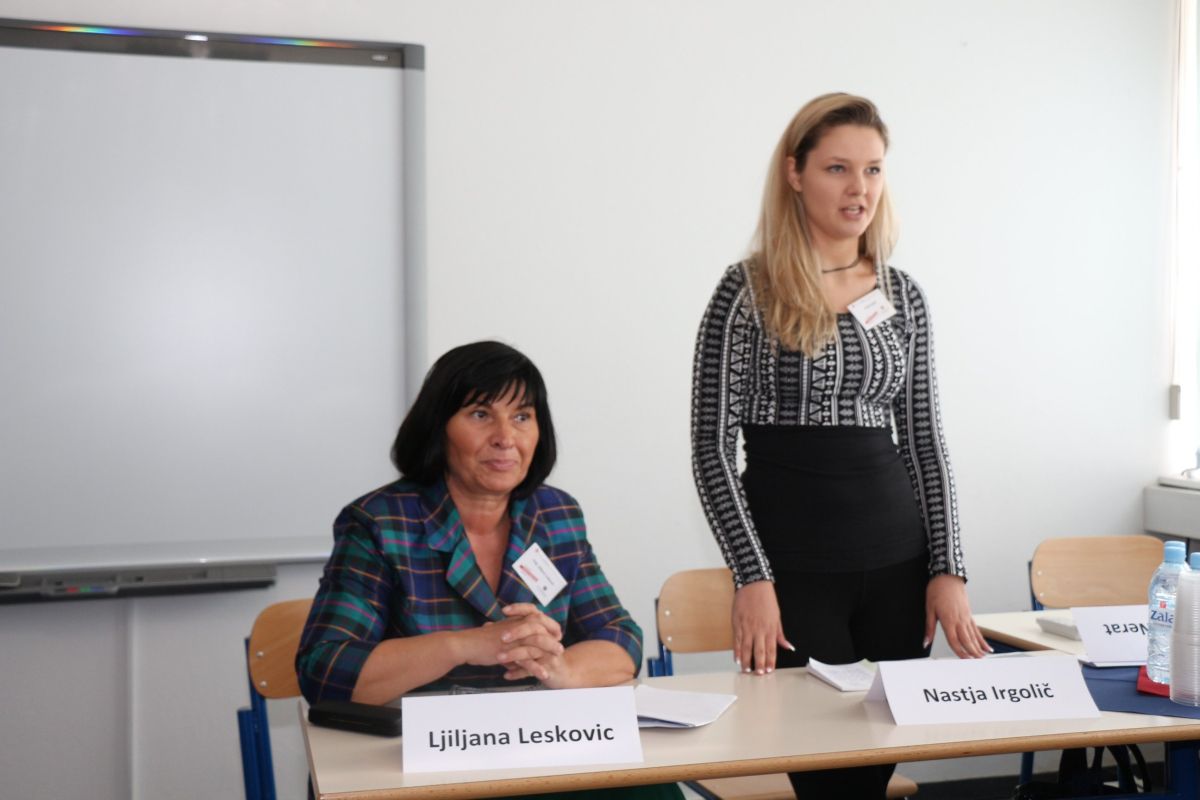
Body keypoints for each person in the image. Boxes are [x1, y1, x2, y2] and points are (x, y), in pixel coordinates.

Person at [690, 93, 990, 798]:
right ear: (794, 173)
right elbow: (711, 448)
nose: (859, 188)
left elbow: (925, 442)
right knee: (827, 778)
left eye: (873, 169)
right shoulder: (747, 292)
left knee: (872, 771)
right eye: (837, 168)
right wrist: (751, 577)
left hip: (897, 567)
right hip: (791, 572)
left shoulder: (903, 295)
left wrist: (947, 569)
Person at [297, 340, 682, 800]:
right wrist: (465, 645)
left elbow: (620, 639)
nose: (505, 437)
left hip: (537, 745)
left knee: (653, 790)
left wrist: (560, 669)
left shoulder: (555, 514)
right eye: (481, 414)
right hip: (423, 763)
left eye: (522, 416)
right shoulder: (380, 522)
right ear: (438, 427)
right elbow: (326, 670)